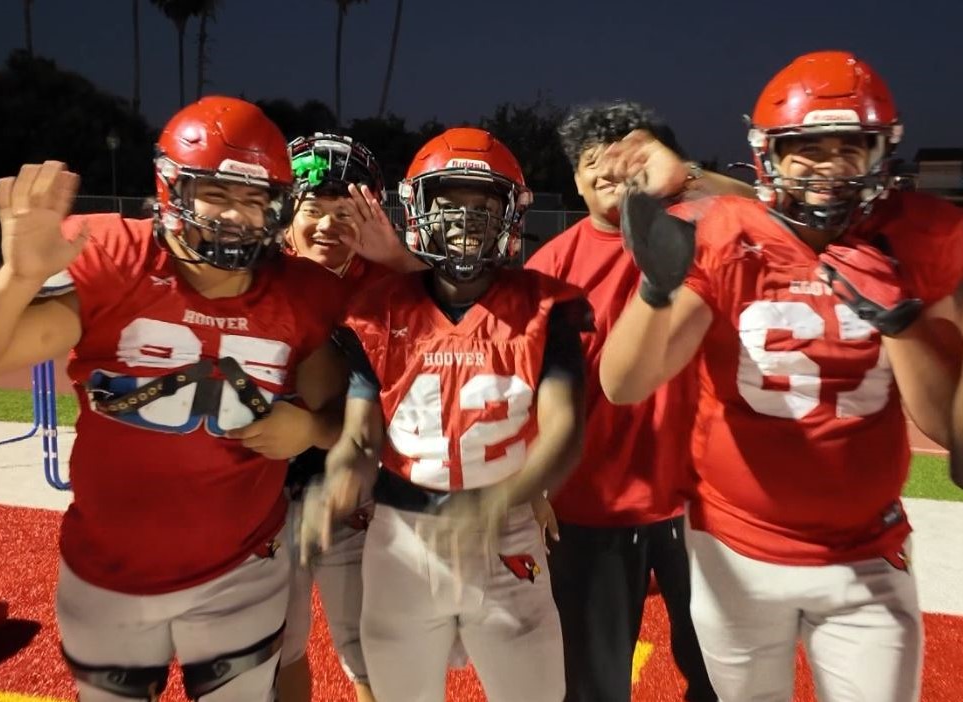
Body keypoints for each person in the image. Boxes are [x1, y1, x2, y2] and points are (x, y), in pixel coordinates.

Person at [0, 96, 349, 702]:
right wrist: (17, 279)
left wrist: (308, 429)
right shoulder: (116, 256)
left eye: (256, 200)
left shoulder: (299, 292)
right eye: (219, 194)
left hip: (242, 567)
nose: (238, 217)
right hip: (109, 569)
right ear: (172, 188)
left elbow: (346, 415)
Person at [599, 51, 963, 701]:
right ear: (769, 155)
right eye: (804, 148)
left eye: (846, 148)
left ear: (880, 153)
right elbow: (623, 384)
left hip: (862, 553)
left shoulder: (919, 238)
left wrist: (901, 325)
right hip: (731, 548)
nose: (825, 169)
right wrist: (655, 287)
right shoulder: (725, 233)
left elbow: (946, 429)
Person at [312, 126, 589, 702]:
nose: (465, 219)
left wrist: (511, 496)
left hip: (505, 532)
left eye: (482, 204)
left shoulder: (544, 306)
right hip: (402, 538)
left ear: (509, 215)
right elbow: (361, 436)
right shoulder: (380, 310)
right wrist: (340, 478)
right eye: (449, 203)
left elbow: (563, 428)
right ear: (419, 210)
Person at [525, 101, 735, 702]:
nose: (612, 171)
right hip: (592, 506)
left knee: (722, 674)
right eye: (595, 160)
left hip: (703, 504)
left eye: (628, 155)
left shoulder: (705, 230)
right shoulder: (549, 268)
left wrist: (687, 176)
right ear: (575, 178)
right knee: (593, 683)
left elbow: (777, 213)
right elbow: (522, 386)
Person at [278, 132, 388, 702]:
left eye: (344, 211)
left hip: (357, 487)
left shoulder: (390, 286)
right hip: (264, 490)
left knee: (368, 643)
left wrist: (316, 430)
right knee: (280, 645)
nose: (327, 225)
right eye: (313, 208)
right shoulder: (253, 276)